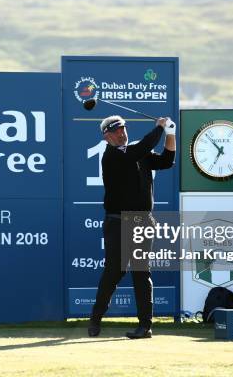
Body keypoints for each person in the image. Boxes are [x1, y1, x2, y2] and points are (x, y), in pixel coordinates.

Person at [88, 114, 176, 339]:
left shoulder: (139, 152)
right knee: (113, 273)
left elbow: (166, 161)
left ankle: (145, 326)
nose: (122, 133)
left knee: (140, 272)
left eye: (123, 129)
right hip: (117, 222)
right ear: (106, 136)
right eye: (116, 131)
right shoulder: (111, 157)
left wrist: (171, 133)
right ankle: (95, 319)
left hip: (142, 221)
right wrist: (159, 127)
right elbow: (143, 147)